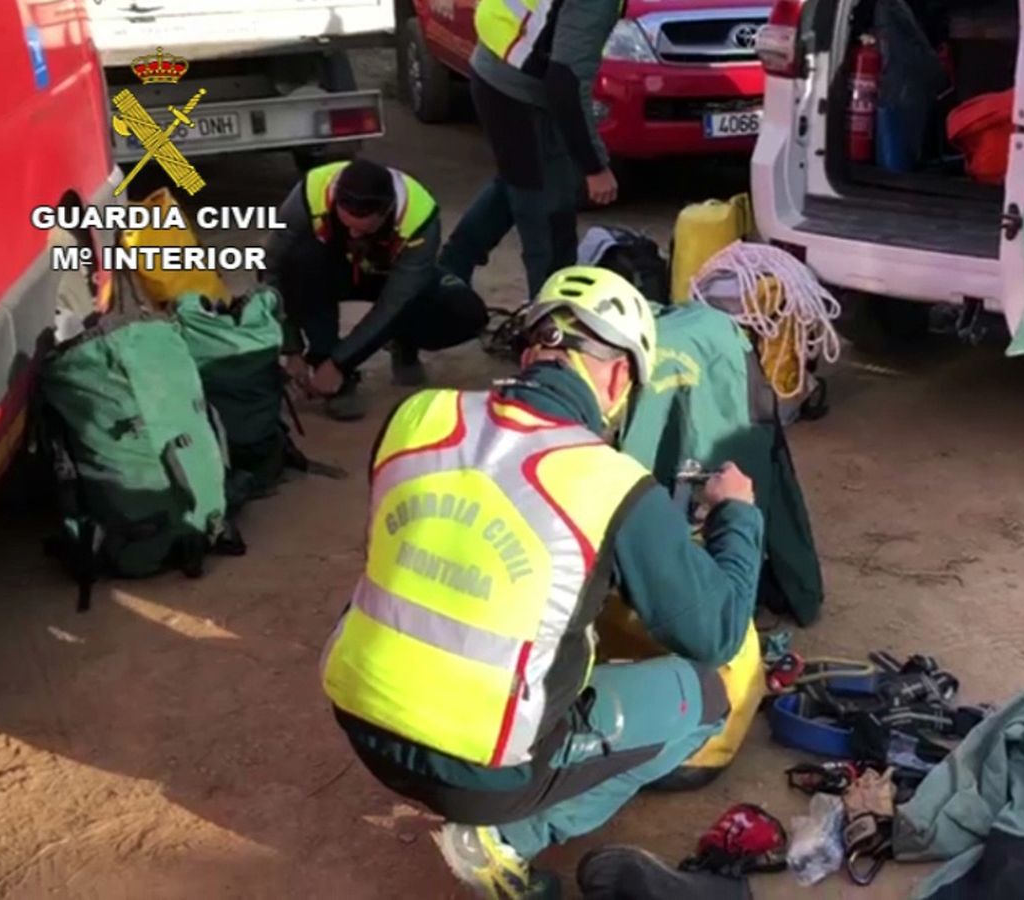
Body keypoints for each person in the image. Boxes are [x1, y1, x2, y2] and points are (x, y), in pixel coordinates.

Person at [320, 266, 764, 899]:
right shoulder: (610, 482)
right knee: (706, 696)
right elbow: (716, 632)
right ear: (616, 375)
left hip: (361, 719)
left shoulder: (414, 416)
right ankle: (504, 840)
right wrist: (736, 515)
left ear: (531, 351)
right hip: (479, 771)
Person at [264, 158, 489, 421]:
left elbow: (395, 302)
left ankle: (403, 343)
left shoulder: (420, 218)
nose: (354, 234)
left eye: (363, 229)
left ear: (387, 212)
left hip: (391, 276)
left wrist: (340, 362)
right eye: (346, 225)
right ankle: (324, 359)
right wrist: (290, 348)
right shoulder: (308, 195)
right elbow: (271, 270)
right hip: (332, 269)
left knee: (466, 311)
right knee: (300, 262)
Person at [436, 0, 624, 299]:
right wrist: (594, 166)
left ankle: (448, 272)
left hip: (496, 66)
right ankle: (550, 322)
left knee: (519, 185)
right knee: (549, 218)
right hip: (519, 92)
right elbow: (566, 81)